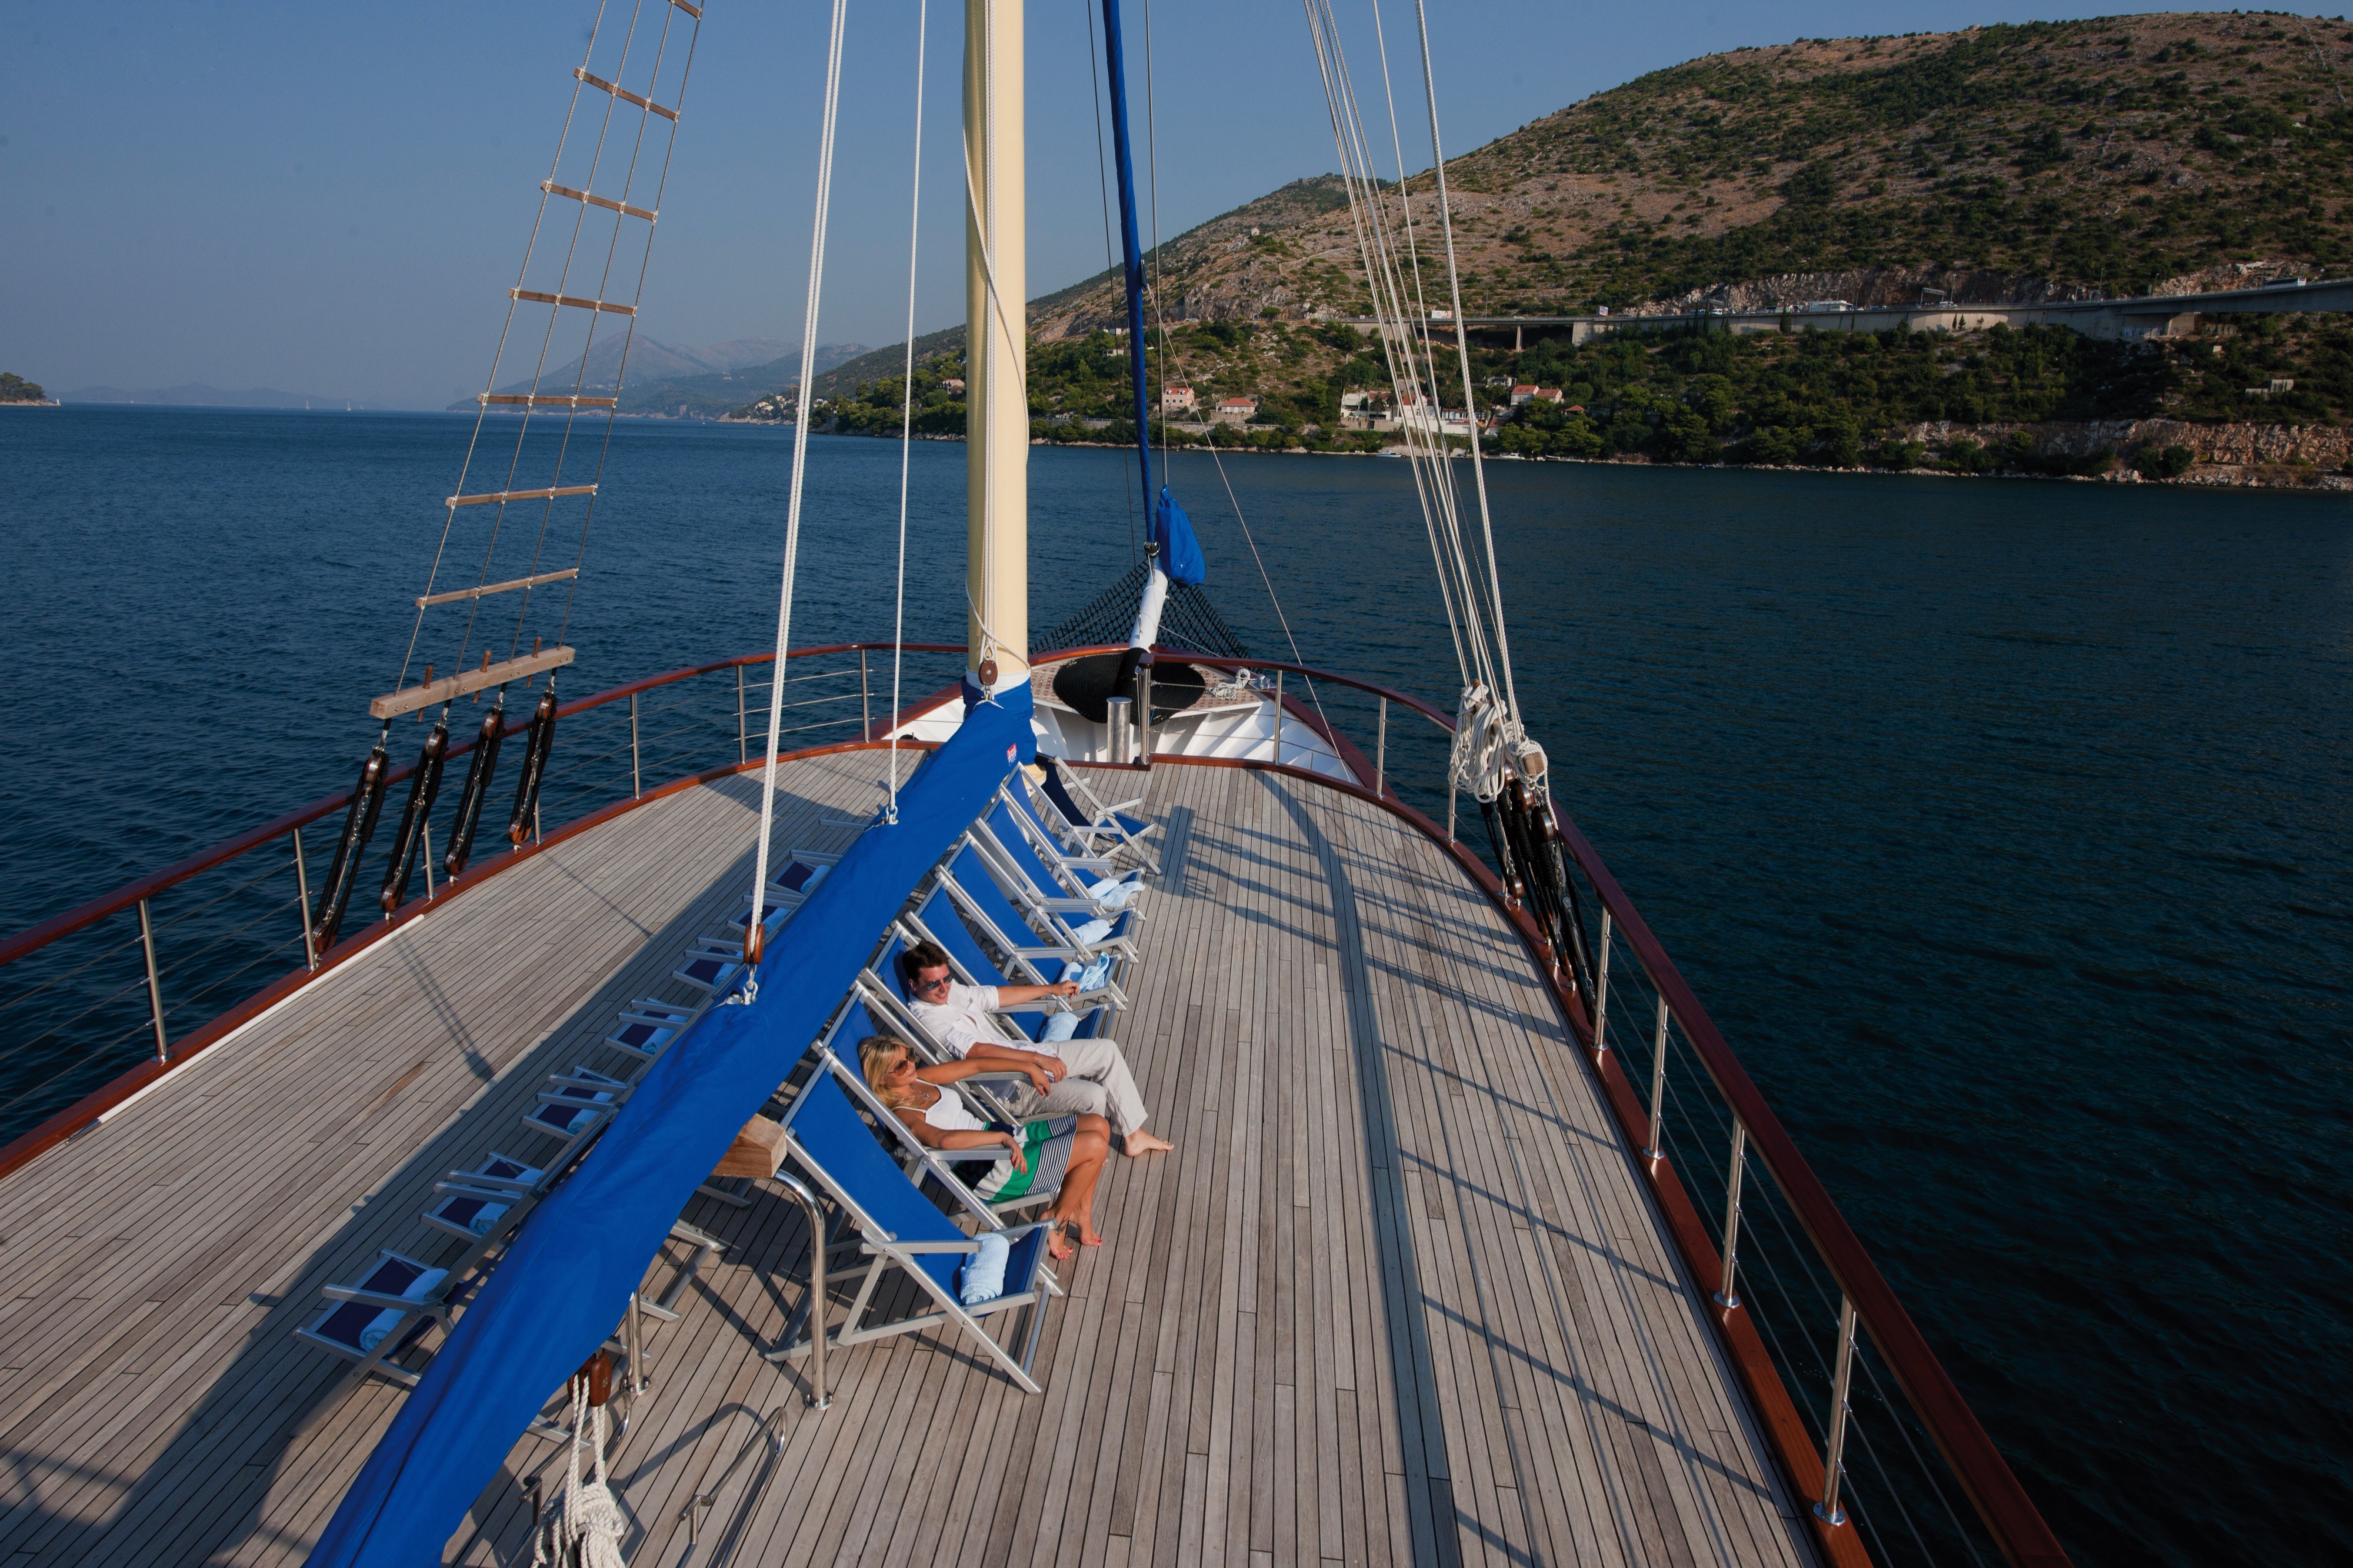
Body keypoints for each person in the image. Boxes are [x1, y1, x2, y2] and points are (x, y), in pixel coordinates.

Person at [898, 939, 1174, 1157]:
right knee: (1095, 1096)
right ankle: (1083, 1155)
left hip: (1026, 1055)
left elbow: (996, 996)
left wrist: (1052, 989)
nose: (944, 988)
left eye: (947, 979)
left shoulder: (949, 991)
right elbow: (979, 1053)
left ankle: (1133, 1135)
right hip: (1012, 1084)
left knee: (1107, 1051)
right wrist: (1033, 1061)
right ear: (913, 984)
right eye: (933, 984)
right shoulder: (929, 1020)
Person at [858, 1035, 1108, 1259]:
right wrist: (1000, 1139)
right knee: (1095, 1145)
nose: (910, 1064)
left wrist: (1029, 1066)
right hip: (990, 1167)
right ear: (882, 1079)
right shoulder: (902, 1114)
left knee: (1099, 1125)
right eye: (901, 1066)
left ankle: (1080, 1211)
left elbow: (976, 1065)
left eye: (910, 1056)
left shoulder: (919, 1080)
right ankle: (1056, 1219)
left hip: (1003, 1136)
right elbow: (943, 1140)